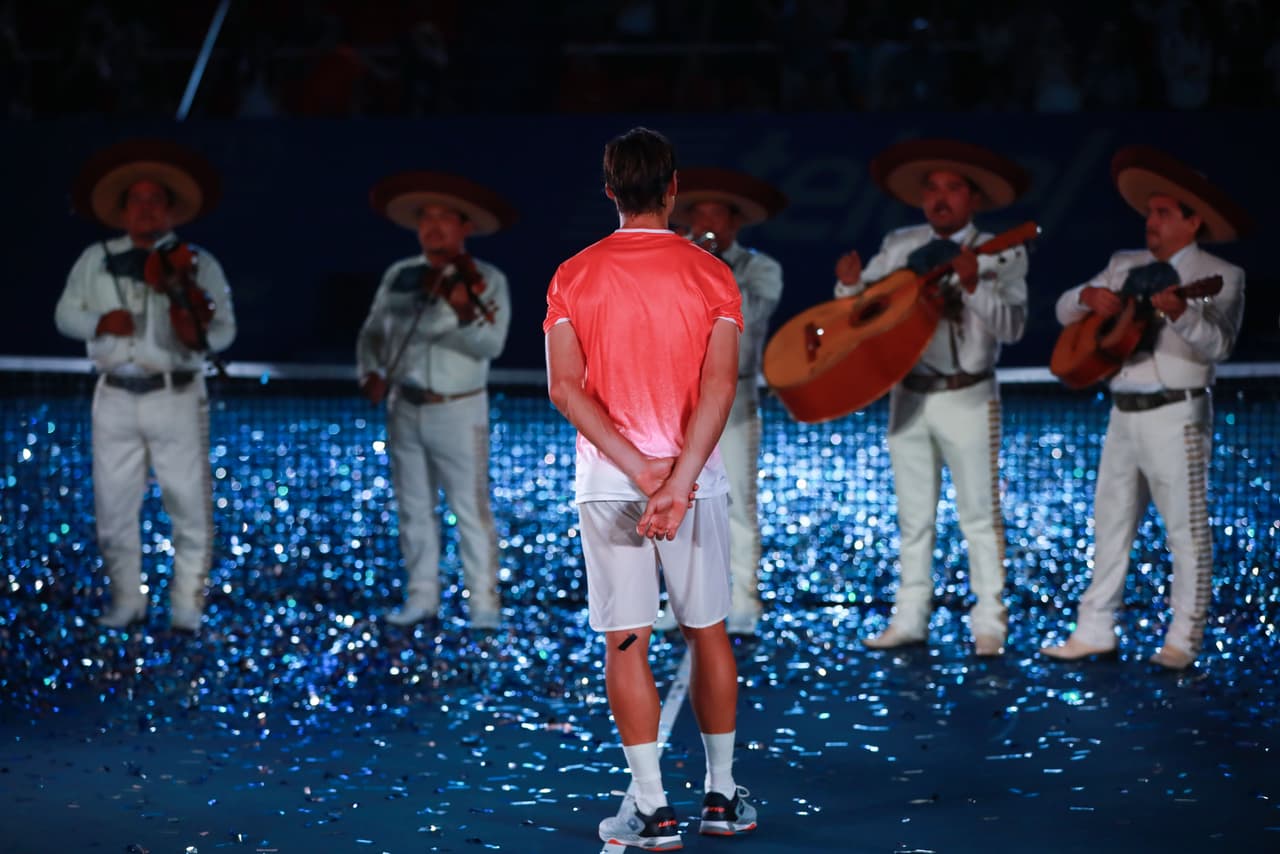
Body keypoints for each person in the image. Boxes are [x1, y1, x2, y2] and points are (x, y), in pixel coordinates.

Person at [544, 127, 757, 850]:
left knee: (627, 640)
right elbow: (719, 388)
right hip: (693, 484)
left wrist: (639, 475)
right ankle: (722, 799)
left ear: (610, 190)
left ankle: (654, 810)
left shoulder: (573, 274)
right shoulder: (712, 274)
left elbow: (564, 389)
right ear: (673, 188)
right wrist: (676, 482)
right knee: (707, 632)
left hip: (610, 485)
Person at [1041, 145, 1250, 671]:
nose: (1150, 223)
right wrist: (1088, 297)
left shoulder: (1220, 274)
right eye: (1150, 213)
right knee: (1109, 524)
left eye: (1162, 214)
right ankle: (1094, 629)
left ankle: (1183, 638)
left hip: (1175, 415)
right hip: (1122, 411)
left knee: (1185, 530)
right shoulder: (1123, 265)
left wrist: (1181, 314)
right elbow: (1064, 307)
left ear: (1192, 221)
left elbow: (1220, 346)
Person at [833, 138, 1030, 657]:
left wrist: (974, 286)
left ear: (974, 199)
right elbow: (863, 312)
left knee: (979, 516)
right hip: (910, 397)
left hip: (969, 398)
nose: (941, 198)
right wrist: (848, 289)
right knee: (912, 518)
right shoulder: (901, 244)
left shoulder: (1002, 249)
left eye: (953, 188)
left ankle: (989, 621)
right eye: (933, 189)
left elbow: (1012, 326)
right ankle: (910, 618)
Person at [55, 139, 236, 634]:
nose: (146, 208)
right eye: (137, 200)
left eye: (156, 200)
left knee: (188, 505)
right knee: (114, 507)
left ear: (171, 210)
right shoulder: (96, 259)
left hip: (176, 393)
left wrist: (191, 321)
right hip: (114, 395)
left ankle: (186, 606)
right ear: (123, 209)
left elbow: (225, 331)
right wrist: (100, 321)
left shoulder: (199, 262)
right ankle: (126, 601)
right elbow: (65, 315)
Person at [357, 171, 515, 630]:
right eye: (427, 220)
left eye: (446, 220)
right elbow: (371, 333)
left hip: (458, 409)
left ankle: (484, 604)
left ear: (466, 228)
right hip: (404, 408)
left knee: (470, 508)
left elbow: (491, 344)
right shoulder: (400, 276)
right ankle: (421, 598)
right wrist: (369, 371)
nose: (435, 228)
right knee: (412, 507)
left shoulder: (487, 280)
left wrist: (465, 311)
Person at [658, 167, 786, 637]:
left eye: (719, 216)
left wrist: (710, 266)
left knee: (738, 506)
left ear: (735, 224)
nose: (708, 224)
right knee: (680, 504)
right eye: (700, 215)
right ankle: (681, 601)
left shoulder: (761, 269)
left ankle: (745, 603)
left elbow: (746, 318)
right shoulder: (674, 262)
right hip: (681, 405)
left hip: (736, 401)